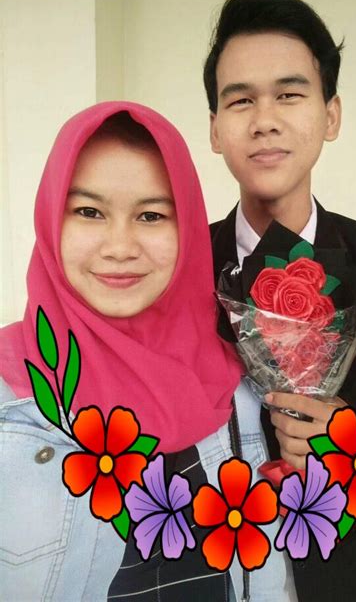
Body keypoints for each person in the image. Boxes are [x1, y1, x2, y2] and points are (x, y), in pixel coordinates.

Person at [203, 0, 356, 601]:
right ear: (216, 129)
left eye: (289, 93)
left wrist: (351, 426)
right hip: (213, 550)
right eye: (240, 99)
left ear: (330, 115)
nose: (264, 119)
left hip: (340, 556)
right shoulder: (180, 261)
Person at [0, 102, 242, 601]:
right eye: (89, 212)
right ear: (50, 220)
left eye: (151, 215)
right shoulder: (10, 396)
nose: (120, 247)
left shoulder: (244, 383)